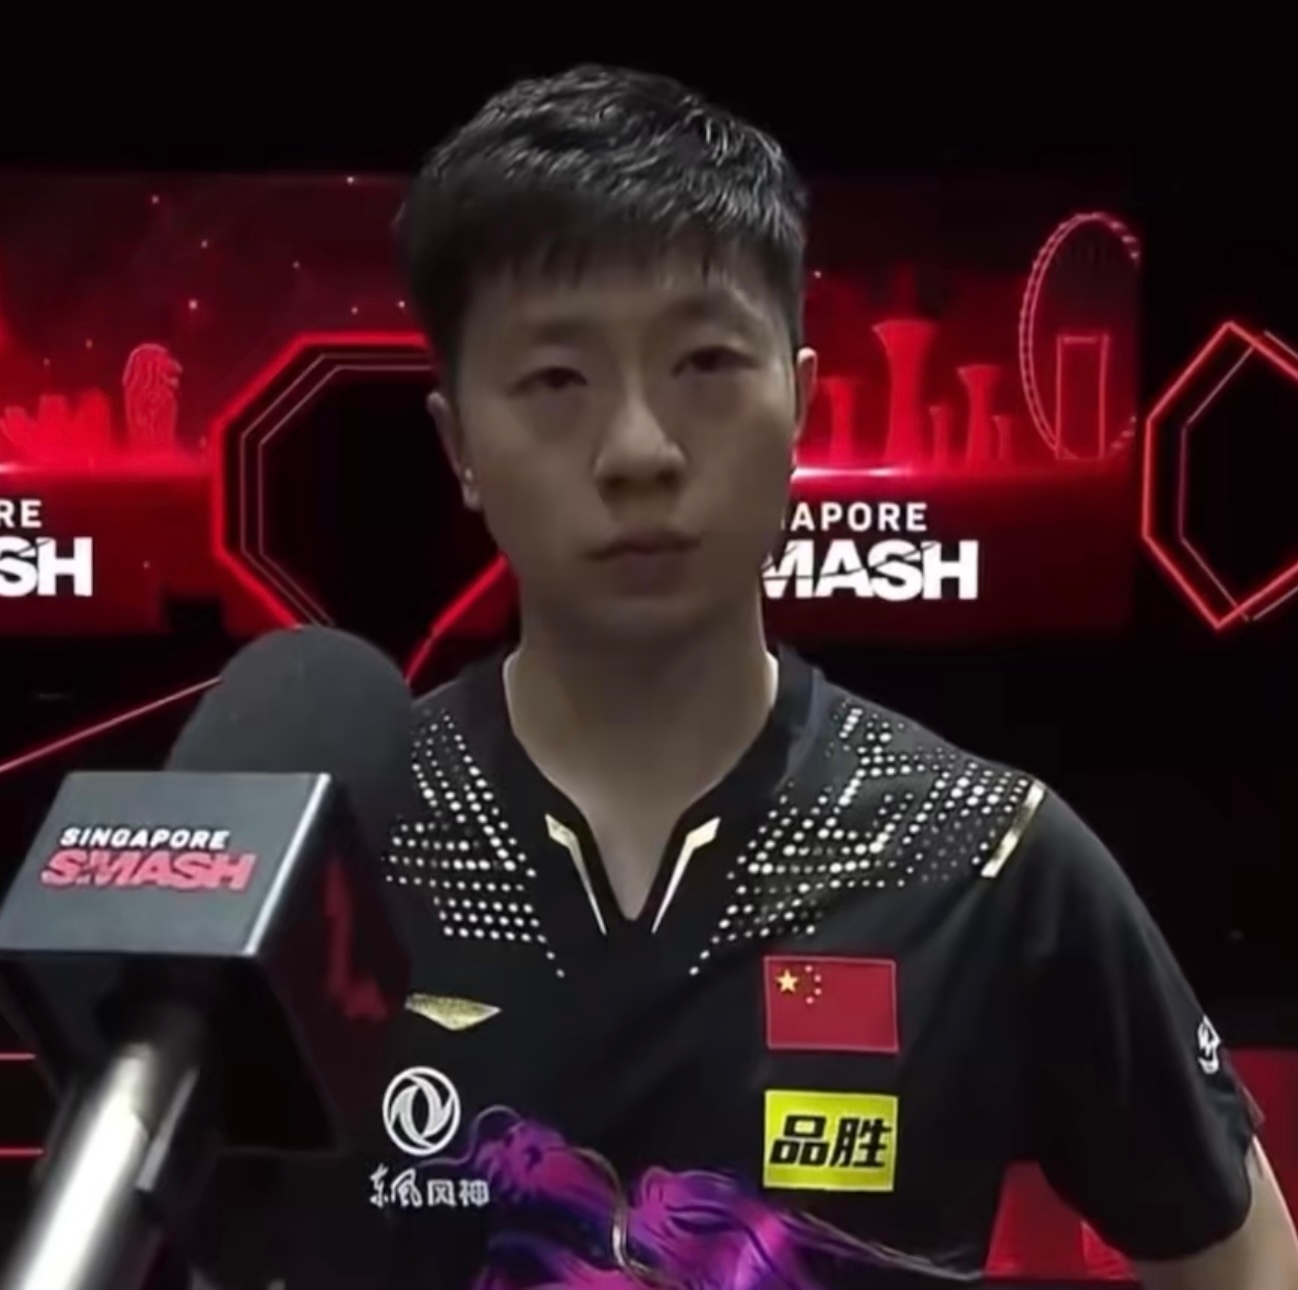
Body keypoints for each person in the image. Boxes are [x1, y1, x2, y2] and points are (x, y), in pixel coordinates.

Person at [190, 66, 1298, 1289]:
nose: (639, 451)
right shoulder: (329, 860)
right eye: (556, 381)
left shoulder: (983, 855)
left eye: (706, 364)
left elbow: (1243, 1261)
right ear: (458, 446)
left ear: (802, 404)